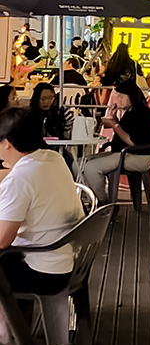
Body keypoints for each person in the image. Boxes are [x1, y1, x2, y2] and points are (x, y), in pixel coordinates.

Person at [0, 108, 87, 305]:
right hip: (68, 262)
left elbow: (2, 240)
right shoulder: (52, 158)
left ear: (6, 143)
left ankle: (11, 324)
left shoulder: (19, 179)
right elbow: (19, 175)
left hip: (43, 274)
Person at [79, 81, 150, 203]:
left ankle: (102, 202)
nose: (118, 100)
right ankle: (88, 199)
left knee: (92, 167)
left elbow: (132, 141)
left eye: (122, 97)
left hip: (138, 156)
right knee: (81, 162)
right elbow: (125, 131)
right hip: (128, 153)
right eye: (117, 96)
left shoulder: (141, 113)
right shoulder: (131, 111)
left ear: (132, 96)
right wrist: (115, 120)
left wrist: (114, 124)